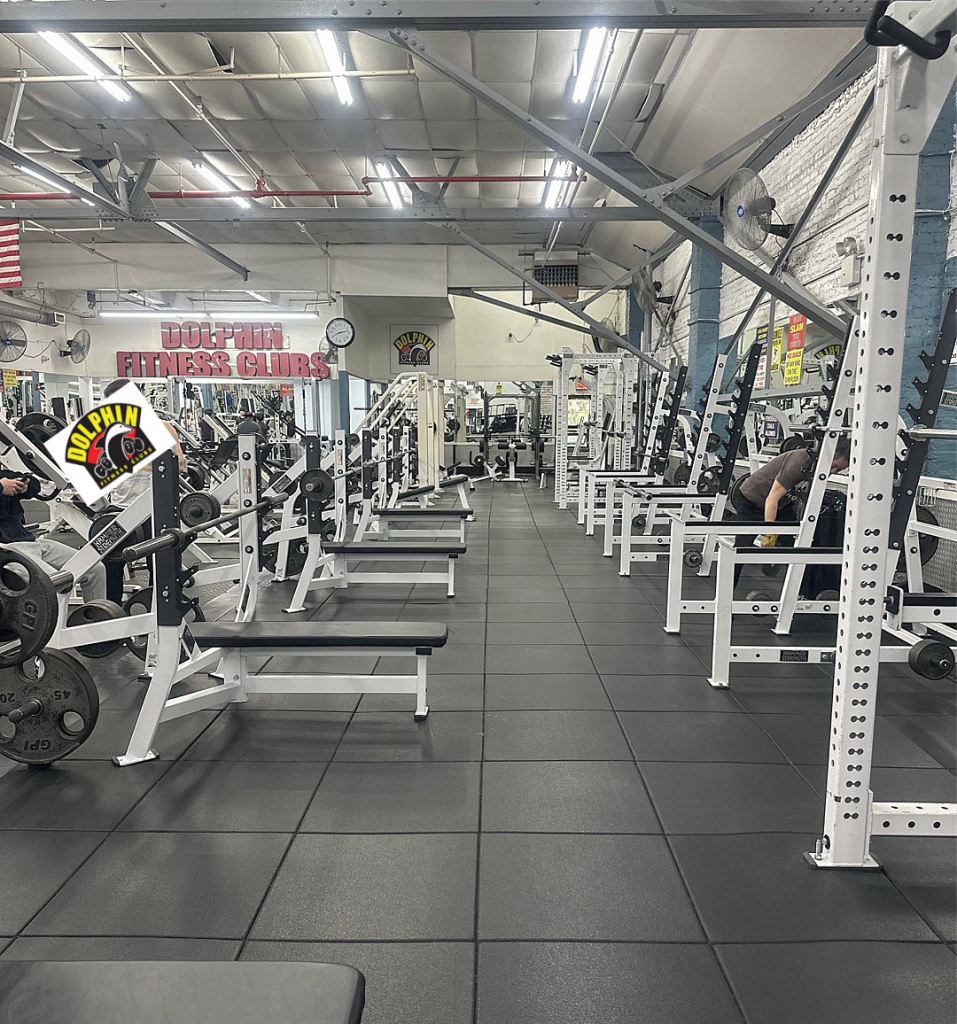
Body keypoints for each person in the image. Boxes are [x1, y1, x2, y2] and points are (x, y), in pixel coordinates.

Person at [100, 378, 187, 603]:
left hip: (155, 508)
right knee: (110, 562)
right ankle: (111, 611)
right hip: (119, 507)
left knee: (159, 563)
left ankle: (158, 609)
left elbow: (180, 465)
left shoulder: (163, 427)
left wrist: (137, 461)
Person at [730, 436, 851, 586]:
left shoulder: (817, 467)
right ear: (828, 456)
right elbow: (772, 498)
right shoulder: (801, 462)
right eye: (833, 465)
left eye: (839, 470)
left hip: (780, 504)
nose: (832, 471)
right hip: (751, 499)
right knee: (742, 548)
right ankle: (726, 593)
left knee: (796, 543)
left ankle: (799, 590)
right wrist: (770, 533)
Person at [0, 467, 107, 602]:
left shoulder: (5, 475)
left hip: (31, 542)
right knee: (56, 584)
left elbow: (35, 484)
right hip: (6, 549)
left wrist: (25, 486)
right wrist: (1, 487)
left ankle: (96, 618)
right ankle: (57, 623)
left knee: (95, 568)